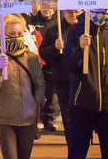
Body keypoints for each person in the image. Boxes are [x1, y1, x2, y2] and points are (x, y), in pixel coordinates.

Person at [64, 9, 108, 159]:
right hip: (82, 104)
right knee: (77, 151)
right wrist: (79, 48)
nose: (106, 9)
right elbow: (68, 65)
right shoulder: (76, 30)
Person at [0, 14, 45, 159]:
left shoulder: (31, 57)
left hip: (28, 118)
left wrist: (34, 105)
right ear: (4, 35)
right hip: (5, 118)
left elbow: (39, 84)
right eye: (12, 34)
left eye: (19, 34)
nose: (16, 37)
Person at [38, 9, 82, 144]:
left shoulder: (86, 28)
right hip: (64, 80)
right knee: (68, 116)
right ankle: (72, 146)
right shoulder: (54, 30)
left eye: (77, 12)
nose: (74, 15)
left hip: (84, 80)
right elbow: (43, 52)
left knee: (82, 116)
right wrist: (54, 47)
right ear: (63, 13)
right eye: (70, 12)